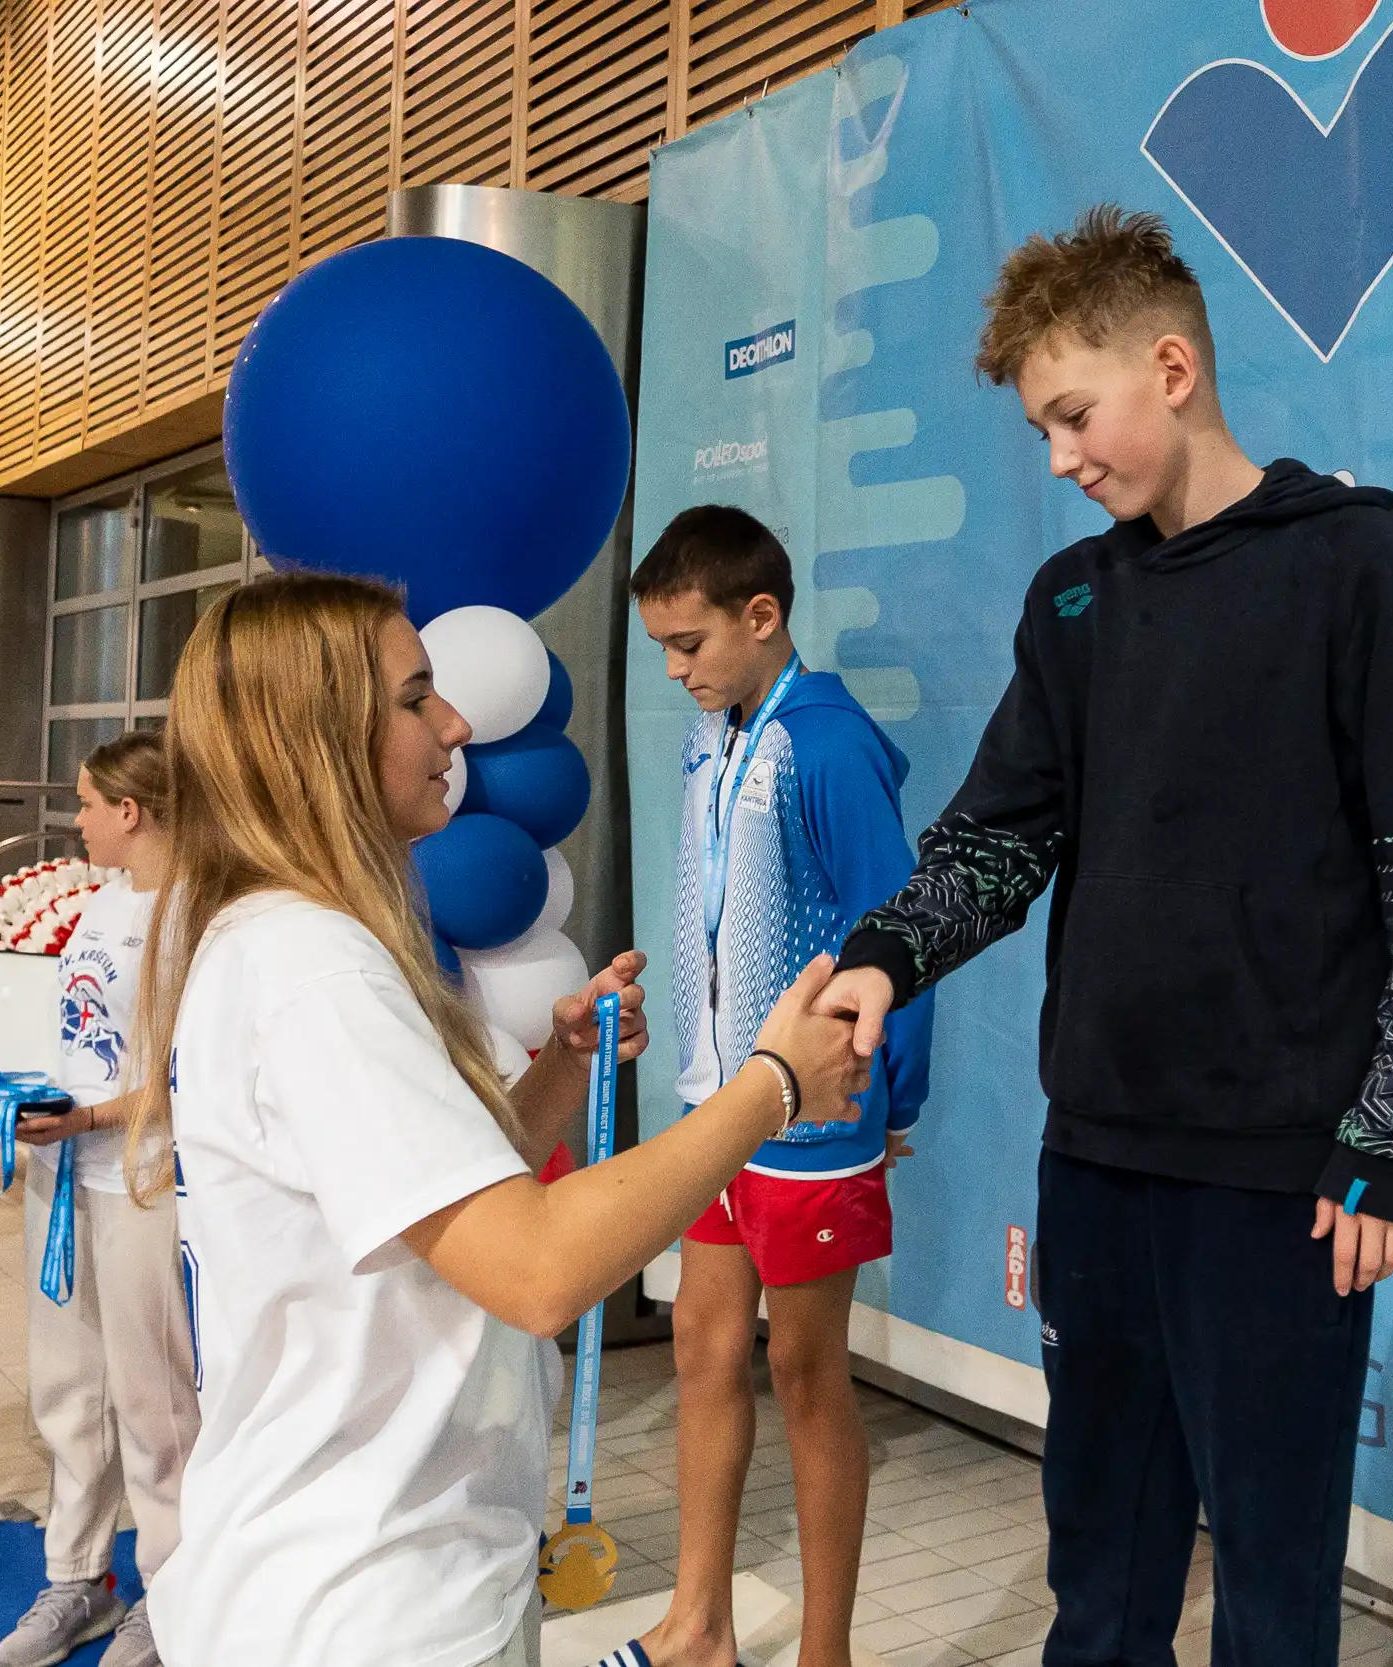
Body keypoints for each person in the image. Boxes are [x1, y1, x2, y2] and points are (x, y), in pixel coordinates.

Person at [811, 207, 1393, 1667]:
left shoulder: (1348, 566)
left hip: (1283, 1182)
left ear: (1172, 365)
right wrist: (887, 951)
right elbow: (1001, 834)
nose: (1061, 457)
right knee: (1102, 1575)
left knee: (1270, 1581)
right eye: (1044, 429)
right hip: (1099, 1163)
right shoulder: (1073, 598)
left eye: (1074, 414)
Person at [119, 573, 869, 1667]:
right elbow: (533, 1266)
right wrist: (773, 1086)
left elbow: (437, 1208)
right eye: (416, 696)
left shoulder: (292, 939)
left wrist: (560, 1075)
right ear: (316, 735)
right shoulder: (312, 966)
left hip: (382, 1570)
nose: (456, 724)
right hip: (364, 1601)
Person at [617, 505, 933, 1667]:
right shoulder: (721, 727)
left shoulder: (825, 740)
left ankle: (826, 1651)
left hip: (813, 1114)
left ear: (763, 616)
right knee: (703, 1345)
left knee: (805, 1372)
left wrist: (892, 1095)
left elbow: (904, 932)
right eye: (660, 646)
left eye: (689, 642)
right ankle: (699, 1625)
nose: (675, 667)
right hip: (724, 1101)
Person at [0, 732, 196, 1667]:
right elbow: (57, 1020)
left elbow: (186, 1073)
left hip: (143, 1176)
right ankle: (79, 1574)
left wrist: (90, 1118)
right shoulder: (101, 900)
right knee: (69, 1388)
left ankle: (176, 1588)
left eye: (87, 804)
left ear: (131, 810)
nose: (75, 821)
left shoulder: (199, 912)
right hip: (65, 1171)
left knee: (153, 1397)